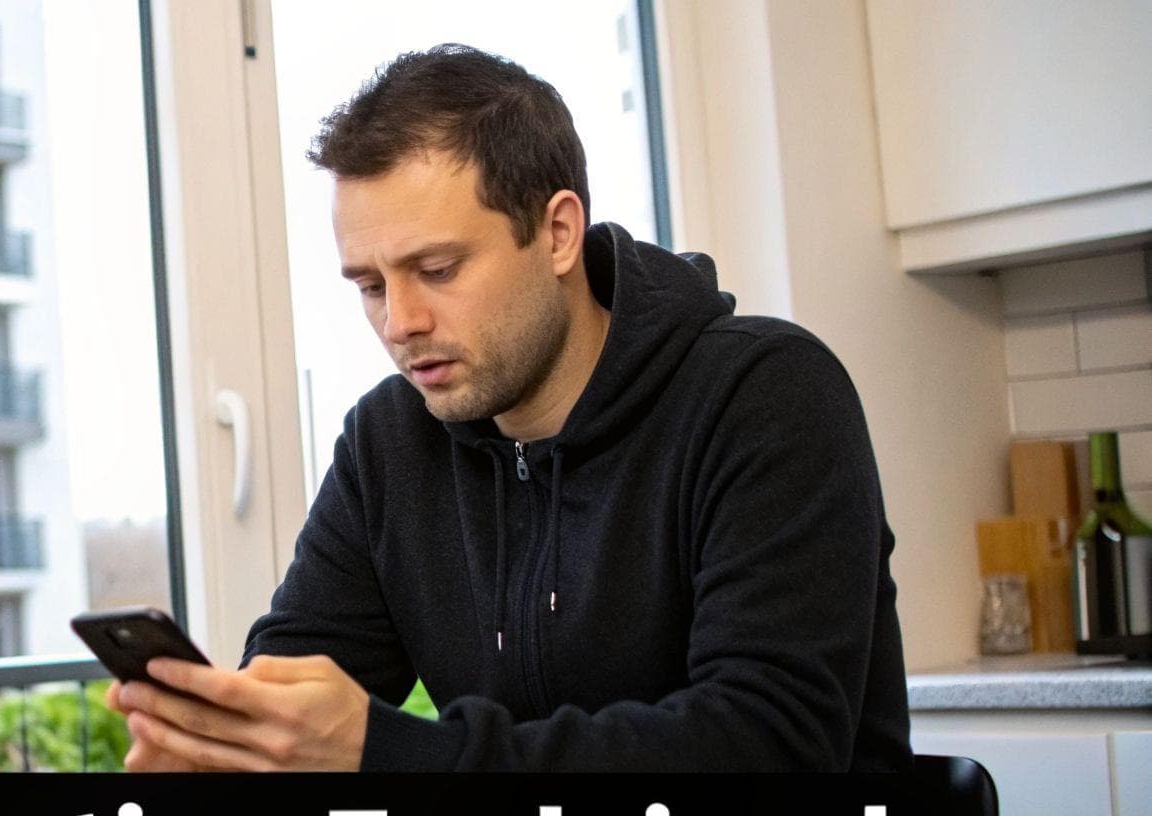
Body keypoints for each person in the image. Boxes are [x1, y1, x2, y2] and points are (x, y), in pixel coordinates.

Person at [105, 44, 911, 772]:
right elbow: (303, 682)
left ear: (558, 233)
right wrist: (233, 749)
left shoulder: (766, 395)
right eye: (371, 285)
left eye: (439, 268)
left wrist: (391, 752)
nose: (400, 322)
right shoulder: (391, 442)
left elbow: (767, 749)